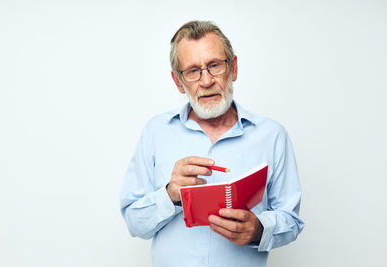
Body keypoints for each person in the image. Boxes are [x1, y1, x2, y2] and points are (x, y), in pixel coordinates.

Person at [120, 20, 304, 267]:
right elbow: (135, 223)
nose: (206, 81)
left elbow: (291, 221)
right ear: (178, 81)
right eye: (193, 71)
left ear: (234, 68)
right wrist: (171, 195)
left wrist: (259, 230)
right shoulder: (155, 132)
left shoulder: (272, 135)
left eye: (214, 65)